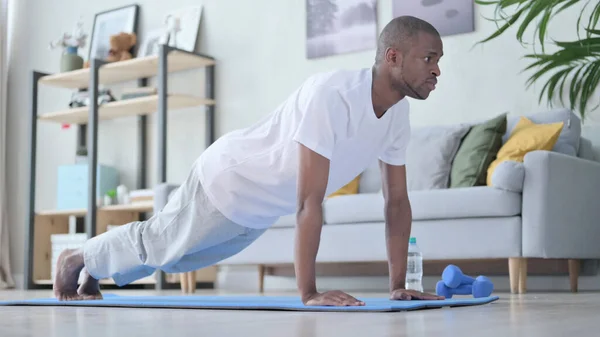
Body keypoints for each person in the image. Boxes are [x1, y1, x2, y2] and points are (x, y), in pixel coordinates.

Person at [53, 15, 445, 305]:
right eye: (428, 58)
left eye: (438, 60)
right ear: (393, 57)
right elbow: (309, 202)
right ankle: (77, 257)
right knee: (161, 244)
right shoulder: (333, 95)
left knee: (172, 260)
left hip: (256, 212)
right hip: (229, 181)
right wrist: (308, 294)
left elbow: (396, 202)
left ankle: (95, 268)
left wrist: (397, 286)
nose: (436, 70)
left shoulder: (397, 114)